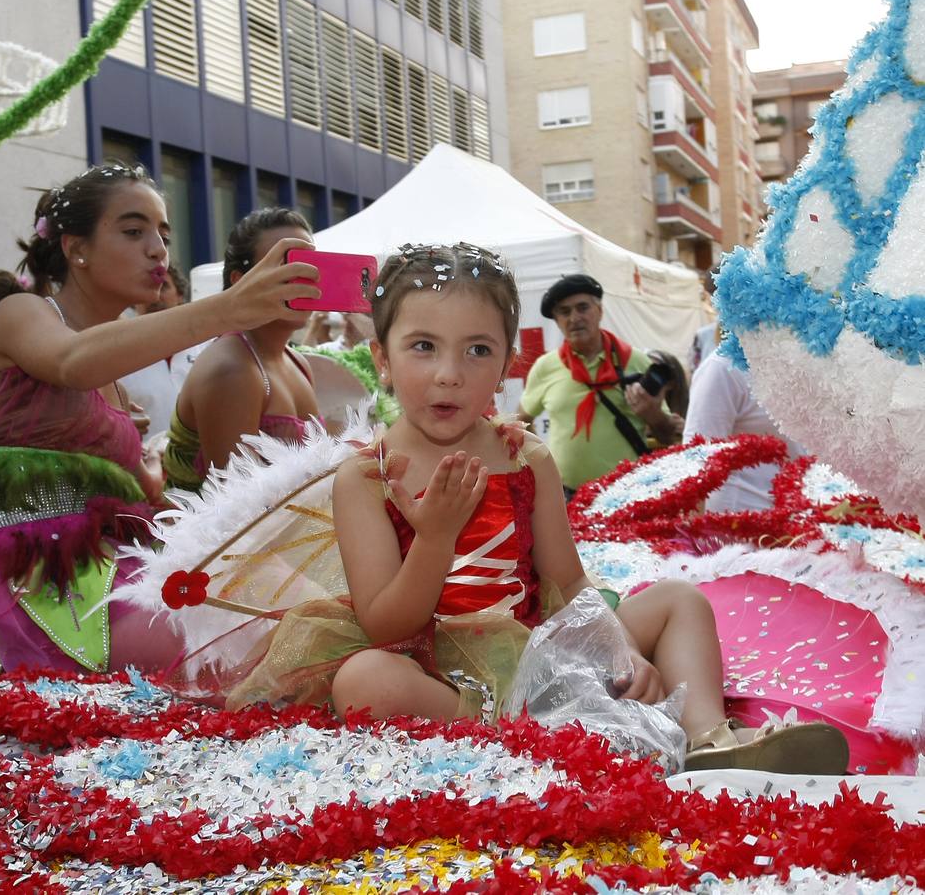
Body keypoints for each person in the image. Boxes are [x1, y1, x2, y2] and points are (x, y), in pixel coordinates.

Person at [228, 243, 847, 775]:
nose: (448, 374)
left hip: (539, 644)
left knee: (680, 601)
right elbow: (387, 624)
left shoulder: (524, 458)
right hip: (434, 669)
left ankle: (711, 739)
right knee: (362, 681)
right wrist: (436, 535)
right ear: (383, 362)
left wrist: (619, 649)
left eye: (476, 351)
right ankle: (534, 735)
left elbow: (569, 580)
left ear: (506, 367)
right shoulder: (367, 477)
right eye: (423, 347)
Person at [0, 163, 320, 676]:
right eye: (134, 231)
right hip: (20, 585)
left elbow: (131, 496)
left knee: (295, 610)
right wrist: (230, 309)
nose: (158, 249)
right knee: (246, 640)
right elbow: (72, 362)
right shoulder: (23, 314)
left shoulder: (114, 372)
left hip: (107, 575)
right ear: (74, 248)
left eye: (163, 234)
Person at [163, 208, 321, 492]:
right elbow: (235, 510)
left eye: (311, 264)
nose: (303, 277)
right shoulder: (232, 367)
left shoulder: (297, 361)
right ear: (239, 280)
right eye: (286, 265)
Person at [517, 274, 676, 497]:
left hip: (630, 493)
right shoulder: (546, 367)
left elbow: (669, 436)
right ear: (556, 320)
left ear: (599, 311)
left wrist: (654, 415)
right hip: (567, 496)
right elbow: (521, 422)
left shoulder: (636, 361)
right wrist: (539, 465)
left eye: (583, 308)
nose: (574, 318)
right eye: (564, 312)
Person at [684, 345, 804, 512]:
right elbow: (695, 463)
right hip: (740, 525)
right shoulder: (722, 367)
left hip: (806, 522)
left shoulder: (809, 360)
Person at [118, 265, 199, 440]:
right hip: (148, 464)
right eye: (145, 287)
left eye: (163, 286)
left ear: (180, 295)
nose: (155, 297)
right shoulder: (119, 356)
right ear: (134, 301)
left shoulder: (208, 346)